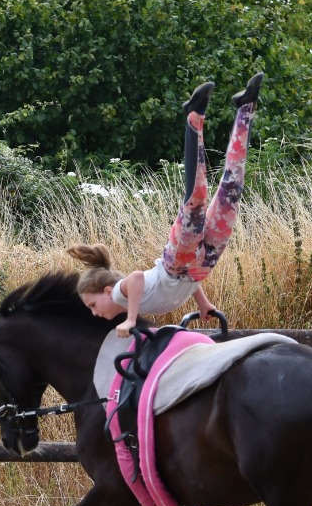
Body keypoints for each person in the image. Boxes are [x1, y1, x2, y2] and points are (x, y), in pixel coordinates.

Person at [69, 72, 262, 335]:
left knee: (196, 198)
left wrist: (131, 319)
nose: (94, 312)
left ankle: (195, 116)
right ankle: (245, 107)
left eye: (92, 304)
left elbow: (136, 278)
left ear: (105, 290)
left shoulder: (118, 294)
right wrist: (203, 304)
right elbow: (188, 282)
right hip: (200, 267)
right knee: (233, 187)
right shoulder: (123, 300)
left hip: (178, 263)